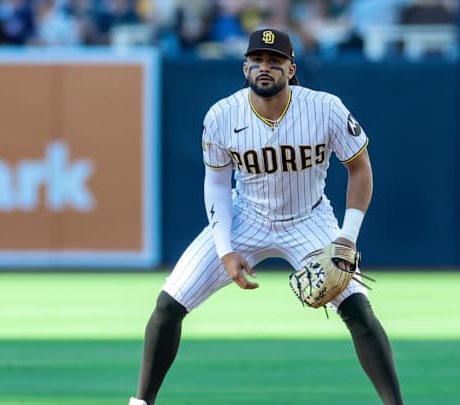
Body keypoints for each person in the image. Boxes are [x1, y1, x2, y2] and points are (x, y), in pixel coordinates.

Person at [130, 28, 403, 405]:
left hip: (310, 219)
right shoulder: (222, 115)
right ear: (244, 68)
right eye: (257, 60)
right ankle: (142, 402)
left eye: (274, 62)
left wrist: (347, 236)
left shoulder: (325, 108)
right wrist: (225, 250)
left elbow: (361, 168)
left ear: (291, 69)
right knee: (168, 304)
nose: (265, 67)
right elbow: (217, 187)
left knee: (358, 308)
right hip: (246, 215)